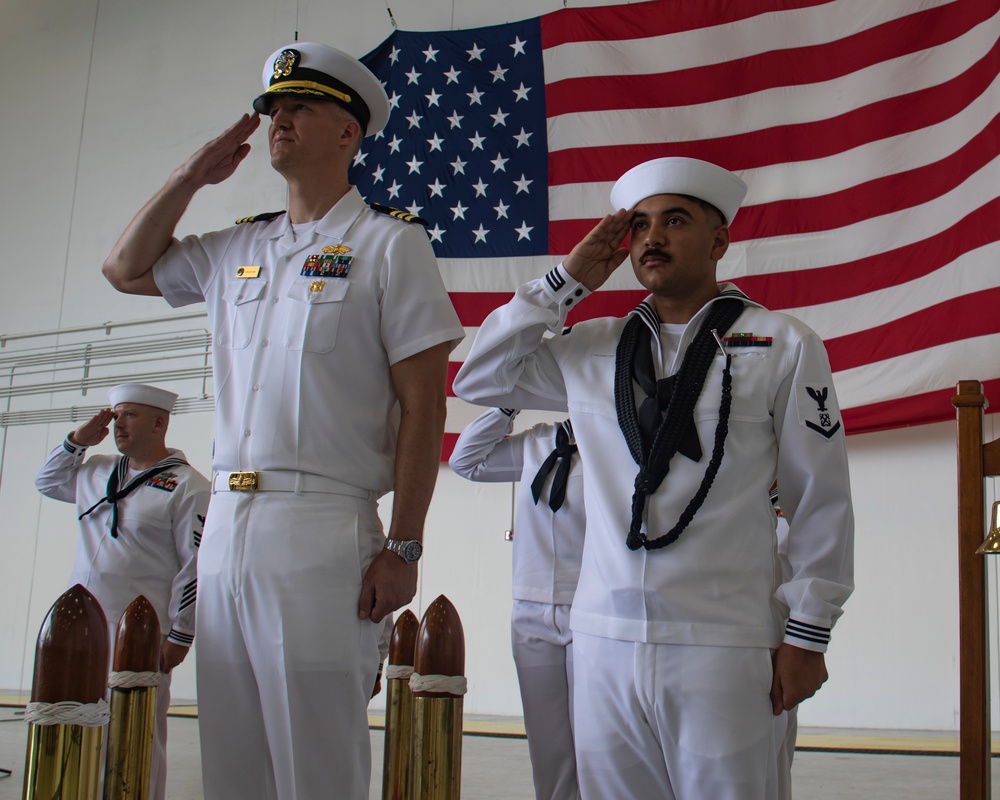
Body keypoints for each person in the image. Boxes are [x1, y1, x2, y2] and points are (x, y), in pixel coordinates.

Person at [99, 42, 464, 800]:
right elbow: (126, 269)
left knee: (315, 757)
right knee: (231, 757)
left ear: (348, 133)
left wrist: (405, 542)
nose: (278, 120)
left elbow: (426, 406)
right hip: (227, 525)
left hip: (322, 524)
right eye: (272, 108)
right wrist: (189, 178)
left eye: (300, 106)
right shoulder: (238, 244)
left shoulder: (389, 244)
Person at [452, 156, 855, 799]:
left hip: (724, 641)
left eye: (675, 220)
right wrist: (564, 282)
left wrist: (809, 631)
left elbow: (819, 498)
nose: (652, 239)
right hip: (603, 641)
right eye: (638, 226)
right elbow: (479, 379)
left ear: (720, 240)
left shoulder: (782, 343)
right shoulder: (593, 346)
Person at [35, 382, 210, 800]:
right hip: (84, 627)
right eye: (115, 417)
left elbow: (197, 566)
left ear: (159, 422)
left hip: (141, 631)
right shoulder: (95, 470)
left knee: (138, 730)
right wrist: (77, 441)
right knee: (77, 720)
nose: (118, 425)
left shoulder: (189, 486)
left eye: (129, 415)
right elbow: (46, 482)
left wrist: (180, 635)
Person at [450, 408, 584, 800]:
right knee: (549, 754)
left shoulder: (621, 441)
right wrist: (506, 407)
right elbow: (467, 462)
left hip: (590, 610)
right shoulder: (539, 440)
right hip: (530, 610)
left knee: (597, 752)